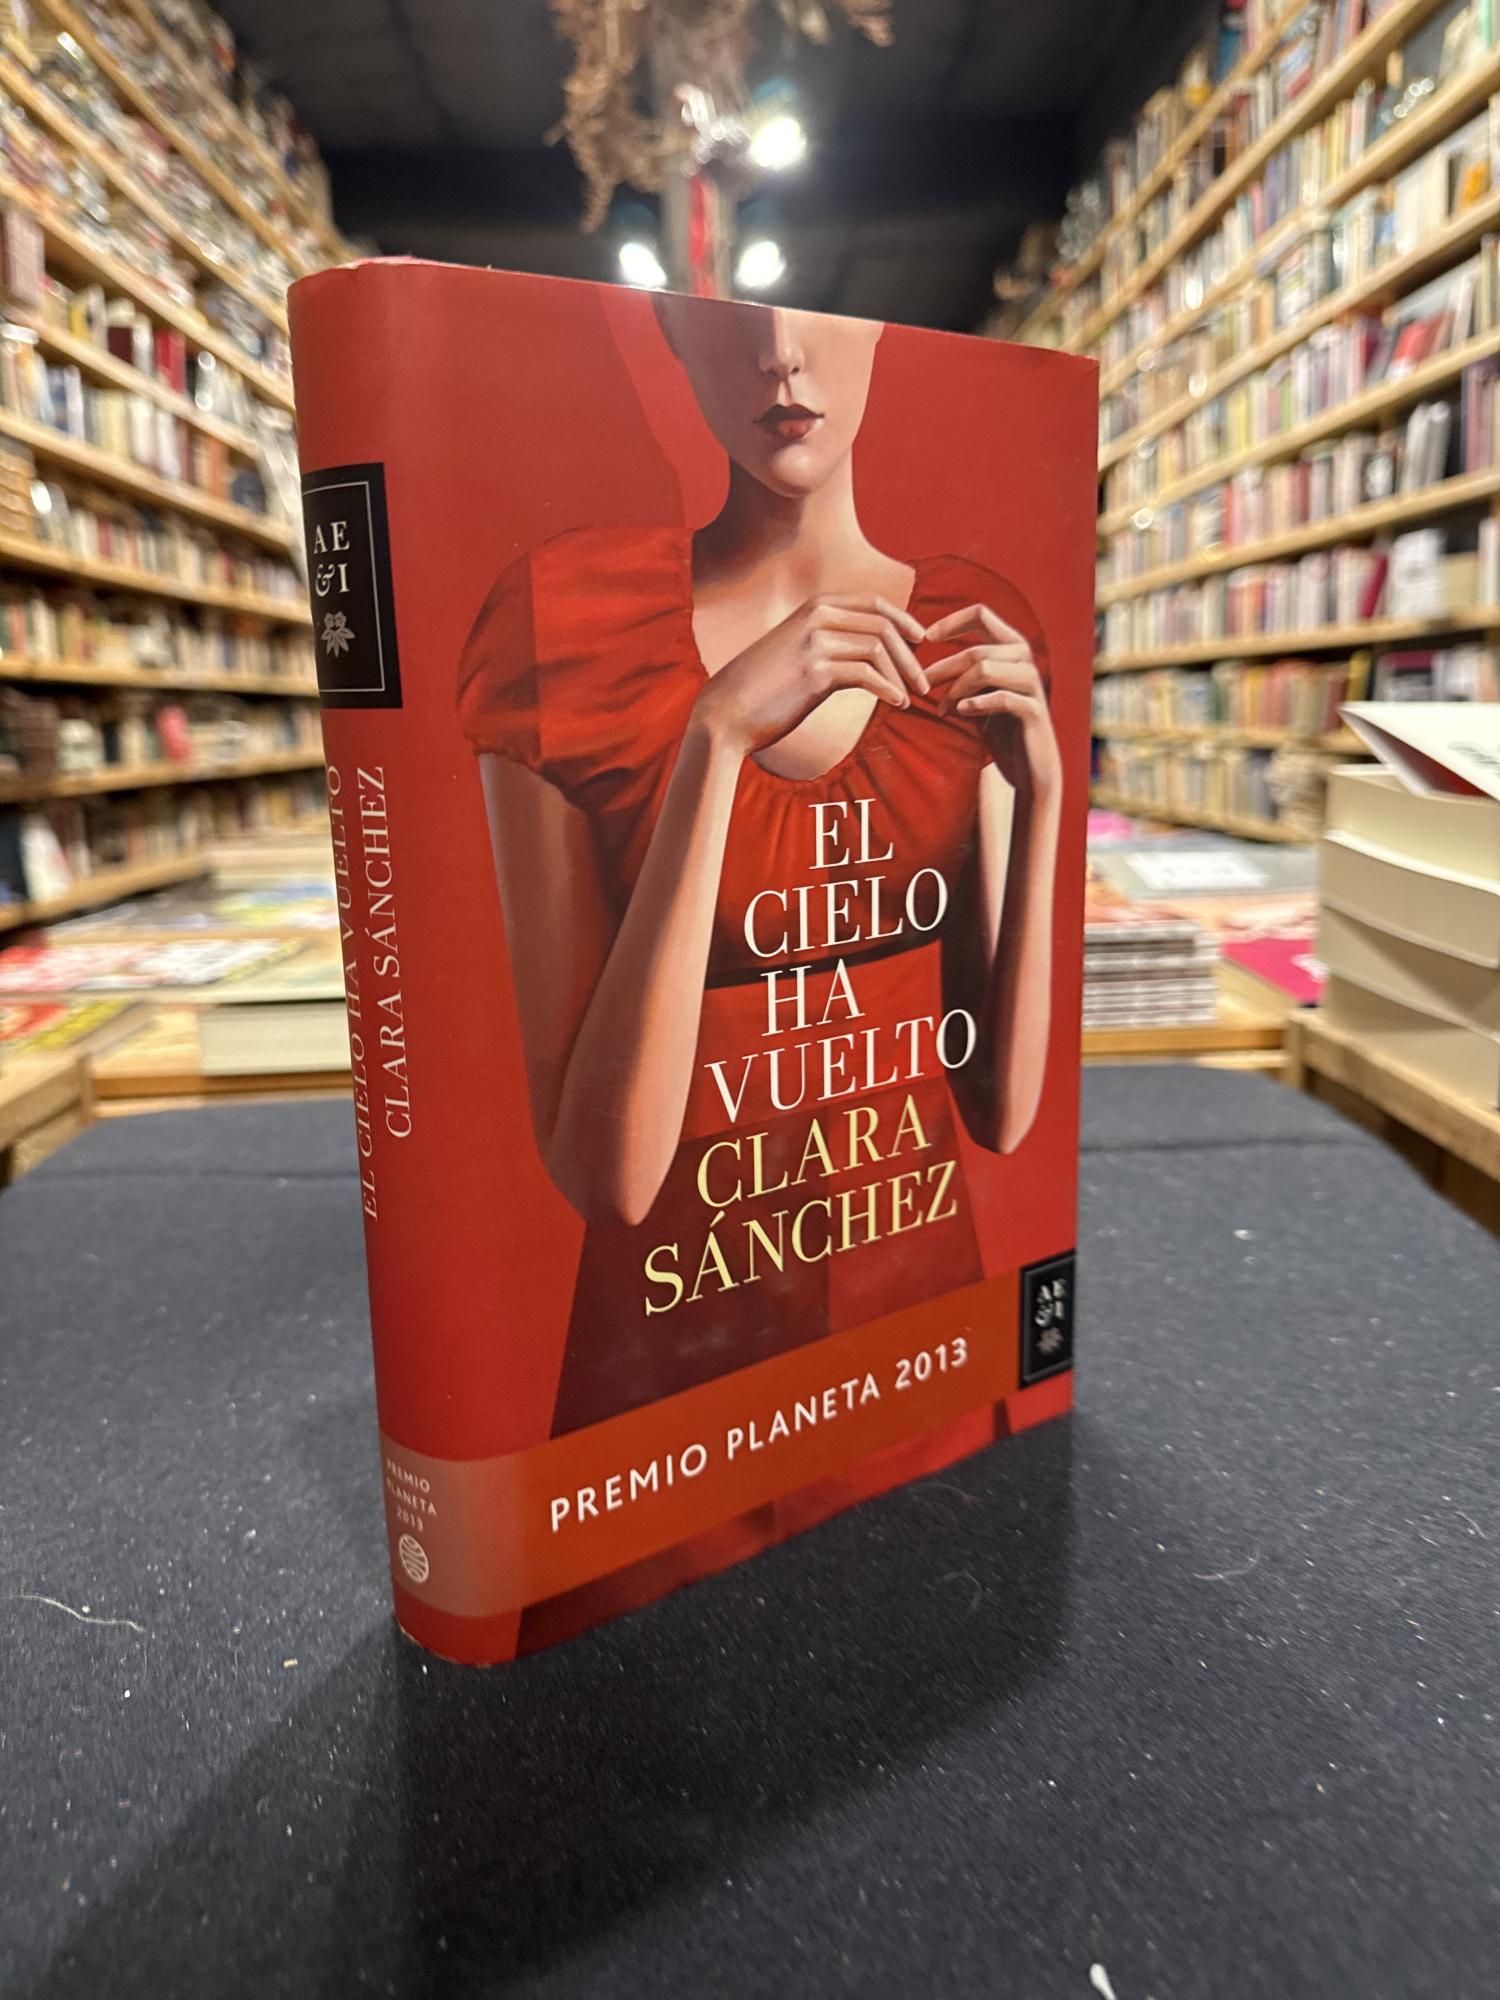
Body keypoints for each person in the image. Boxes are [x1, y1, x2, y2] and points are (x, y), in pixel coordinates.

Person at [457, 298, 1060, 1437]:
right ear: (671, 336)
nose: (779, 354)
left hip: (913, 1332)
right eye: (731, 322)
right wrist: (715, 734)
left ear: (880, 332)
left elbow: (1004, 1112)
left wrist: (1047, 800)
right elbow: (609, 1179)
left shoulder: (972, 635)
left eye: (818, 321)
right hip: (672, 1377)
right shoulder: (566, 624)